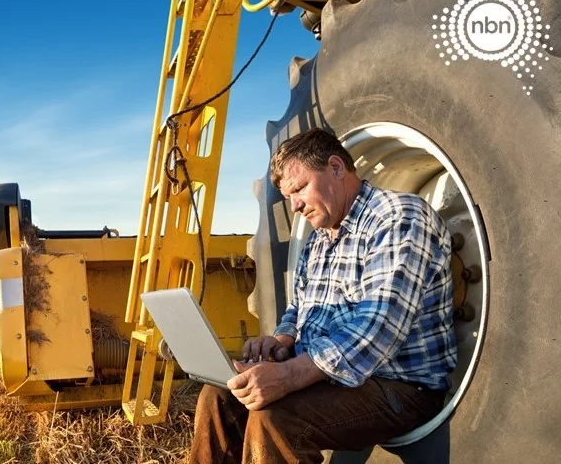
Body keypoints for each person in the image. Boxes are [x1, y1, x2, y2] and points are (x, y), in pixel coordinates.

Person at [189, 128, 457, 464]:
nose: (296, 204)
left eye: (299, 188)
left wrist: (288, 376)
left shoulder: (399, 217)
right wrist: (283, 340)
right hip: (336, 378)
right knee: (218, 396)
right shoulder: (319, 241)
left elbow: (379, 327)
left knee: (274, 418)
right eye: (289, 196)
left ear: (336, 167)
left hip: (398, 386)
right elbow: (300, 306)